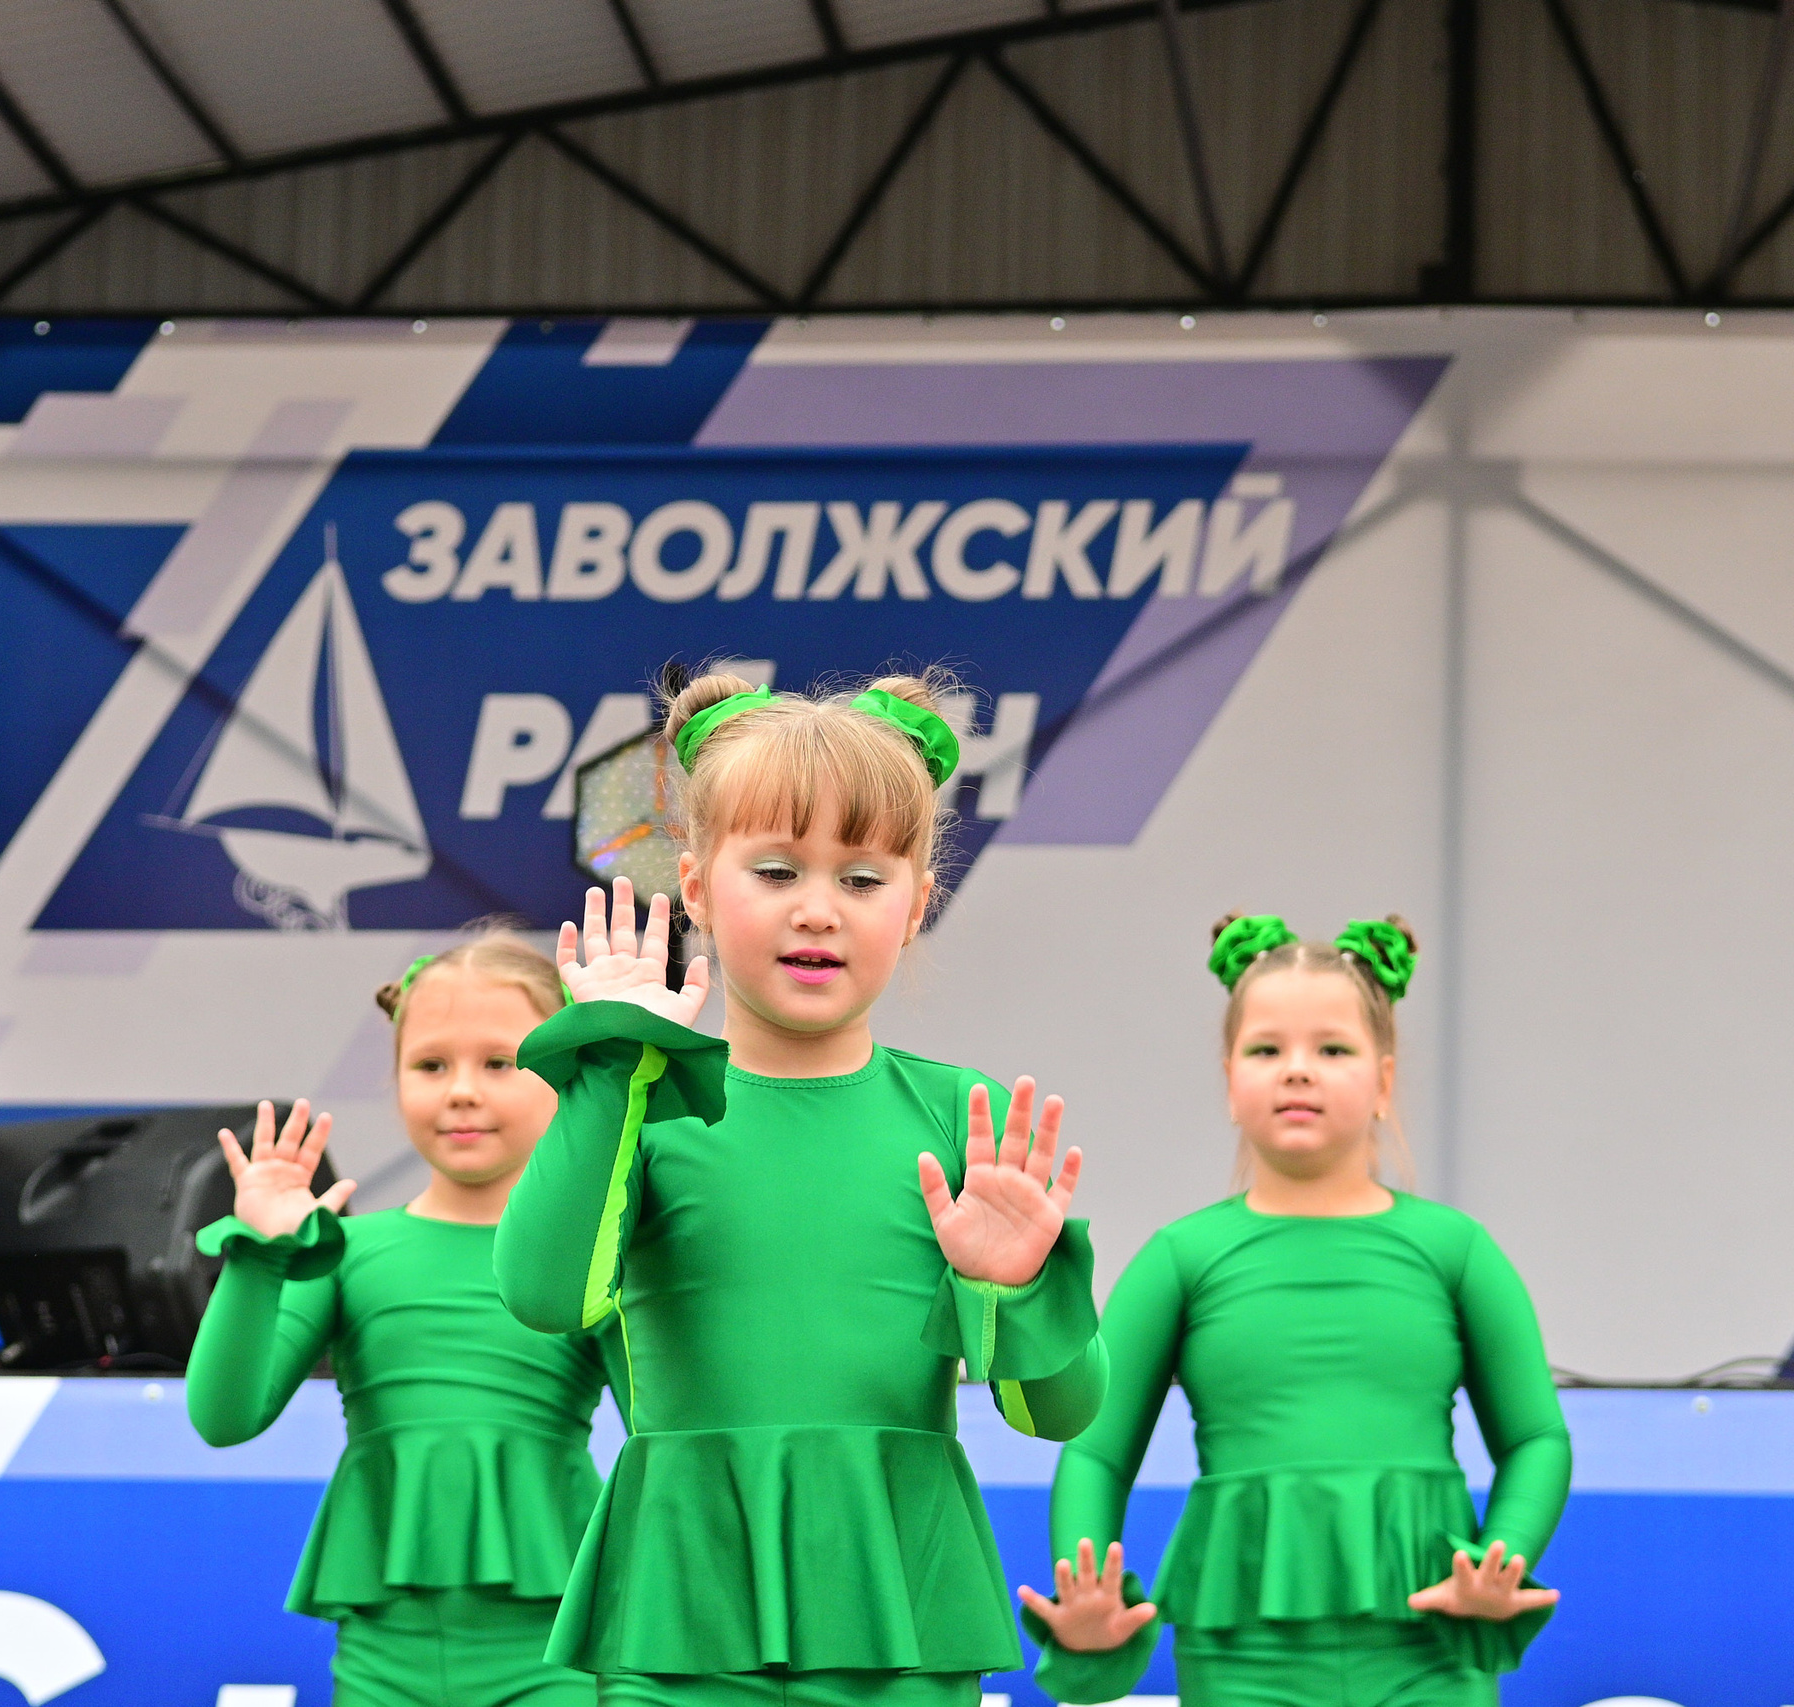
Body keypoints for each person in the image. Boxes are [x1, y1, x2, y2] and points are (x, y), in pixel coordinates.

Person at [495, 670, 1108, 1707]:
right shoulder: (641, 1101)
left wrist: (1010, 1287)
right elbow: (544, 1294)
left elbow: (1064, 1410)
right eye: (775, 870)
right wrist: (605, 1069)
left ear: (916, 905)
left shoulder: (958, 1118)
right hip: (676, 1615)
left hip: (896, 1614)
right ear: (693, 887)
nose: (817, 911)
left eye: (862, 880)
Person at [1020, 915, 1570, 1706]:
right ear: (1229, 1078)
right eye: (1267, 1049)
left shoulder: (1456, 1249)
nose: (1298, 1071)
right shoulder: (1183, 1255)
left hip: (1431, 1649)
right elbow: (1097, 1449)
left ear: (1383, 1080)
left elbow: (1537, 1437)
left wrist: (1504, 1556)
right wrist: (1086, 1582)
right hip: (1241, 1651)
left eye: (1333, 1049)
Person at [185, 930, 625, 1707]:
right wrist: (258, 1253)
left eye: (499, 1062)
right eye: (430, 1064)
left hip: (553, 1649)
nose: (461, 1089)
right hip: (384, 1655)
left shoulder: (592, 1259)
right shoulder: (349, 1251)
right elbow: (223, 1416)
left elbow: (669, 1429)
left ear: (566, 1075)